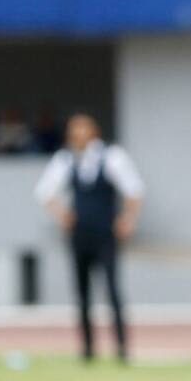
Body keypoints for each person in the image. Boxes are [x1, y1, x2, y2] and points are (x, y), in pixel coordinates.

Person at [34, 114, 144, 362]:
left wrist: (128, 219)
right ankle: (87, 348)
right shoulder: (65, 160)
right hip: (80, 235)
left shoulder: (112, 157)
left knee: (113, 290)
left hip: (105, 233)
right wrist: (63, 215)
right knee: (82, 294)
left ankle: (121, 347)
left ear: (93, 132)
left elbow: (134, 189)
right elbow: (44, 191)